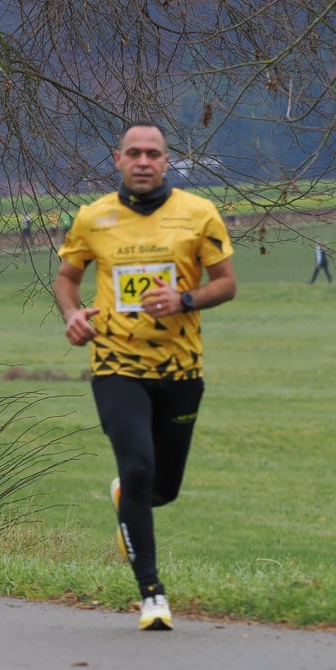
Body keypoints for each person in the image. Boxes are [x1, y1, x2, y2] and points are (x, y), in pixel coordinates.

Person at [53, 123, 236, 630]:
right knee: (137, 468)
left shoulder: (199, 213)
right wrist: (71, 314)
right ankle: (152, 595)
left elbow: (226, 283)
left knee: (161, 488)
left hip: (181, 368)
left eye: (152, 154)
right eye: (133, 153)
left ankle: (128, 499)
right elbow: (67, 277)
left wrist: (184, 298)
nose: (142, 161)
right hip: (117, 365)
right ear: (118, 160)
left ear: (165, 162)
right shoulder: (93, 218)